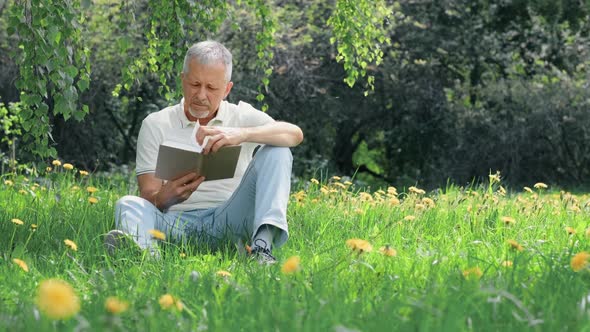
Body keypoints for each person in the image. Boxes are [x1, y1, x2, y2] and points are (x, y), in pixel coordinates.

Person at [105, 40, 303, 264]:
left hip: (229, 220)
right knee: (127, 203)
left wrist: (241, 135)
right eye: (195, 84)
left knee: (278, 150)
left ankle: (261, 249)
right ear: (183, 80)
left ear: (227, 89)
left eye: (211, 88)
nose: (201, 95)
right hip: (174, 224)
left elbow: (294, 134)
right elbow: (148, 195)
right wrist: (165, 196)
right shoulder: (155, 123)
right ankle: (147, 258)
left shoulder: (241, 116)